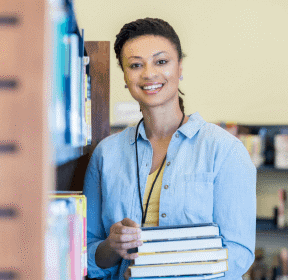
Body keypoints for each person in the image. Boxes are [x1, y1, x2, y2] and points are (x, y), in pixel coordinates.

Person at [83, 17, 257, 280]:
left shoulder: (225, 151)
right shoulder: (106, 154)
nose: (149, 73)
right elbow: (87, 252)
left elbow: (239, 253)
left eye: (161, 61)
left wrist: (170, 268)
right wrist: (112, 246)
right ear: (125, 77)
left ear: (180, 68)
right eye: (135, 65)